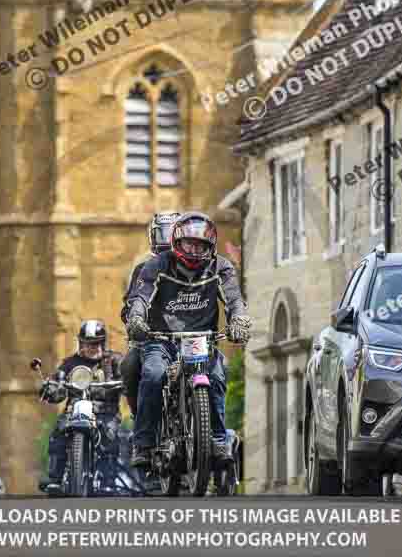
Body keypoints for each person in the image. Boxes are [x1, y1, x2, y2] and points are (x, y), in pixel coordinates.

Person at [126, 211, 251, 468]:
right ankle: (144, 443)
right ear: (176, 242)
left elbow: (234, 300)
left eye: (200, 245)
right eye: (188, 243)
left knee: (217, 375)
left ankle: (217, 439)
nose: (194, 250)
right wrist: (137, 319)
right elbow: (141, 296)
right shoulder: (157, 264)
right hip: (161, 339)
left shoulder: (221, 267)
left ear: (210, 246)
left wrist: (239, 320)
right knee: (153, 374)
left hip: (202, 340)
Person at [40, 320, 123, 494]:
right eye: (87, 343)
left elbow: (128, 377)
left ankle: (108, 480)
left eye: (96, 343)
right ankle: (54, 479)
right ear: (81, 342)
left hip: (105, 411)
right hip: (74, 410)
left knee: (110, 434)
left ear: (103, 342)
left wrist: (128, 384)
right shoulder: (70, 363)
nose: (91, 347)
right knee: (58, 432)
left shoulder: (114, 360)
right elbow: (58, 384)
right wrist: (51, 388)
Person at [120, 212, 181, 416]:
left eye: (172, 233)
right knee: (129, 366)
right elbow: (131, 303)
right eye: (162, 233)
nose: (167, 240)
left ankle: (212, 434)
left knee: (218, 368)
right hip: (152, 337)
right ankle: (141, 421)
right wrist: (135, 321)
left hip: (188, 339)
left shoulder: (196, 268)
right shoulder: (142, 269)